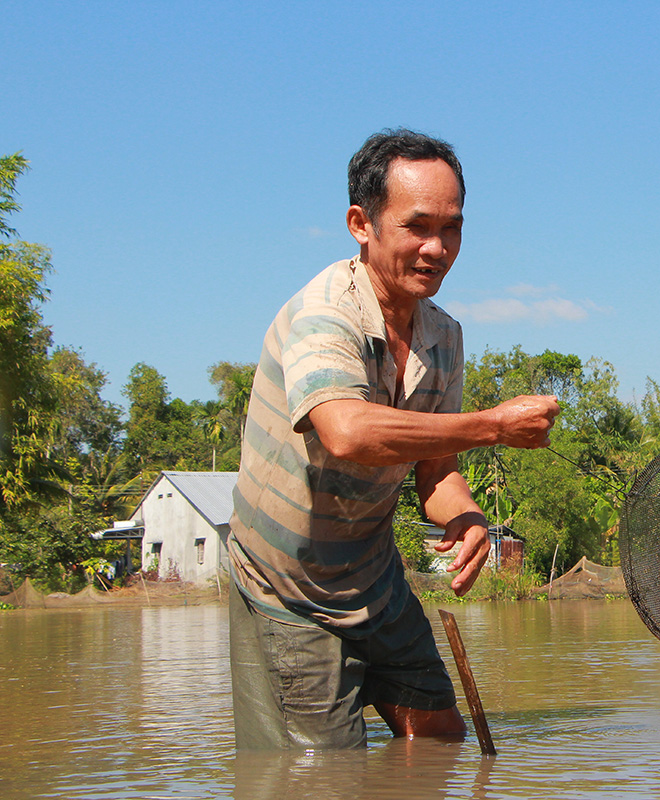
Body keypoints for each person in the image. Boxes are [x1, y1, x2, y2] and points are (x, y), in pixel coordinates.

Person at [227, 129, 559, 749]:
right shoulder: (322, 314)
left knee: (439, 743)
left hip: (373, 577)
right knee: (323, 777)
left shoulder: (444, 336)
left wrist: (466, 517)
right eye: (416, 227)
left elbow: (436, 469)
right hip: (288, 587)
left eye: (452, 228)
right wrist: (495, 425)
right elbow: (348, 431)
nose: (437, 248)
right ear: (362, 223)